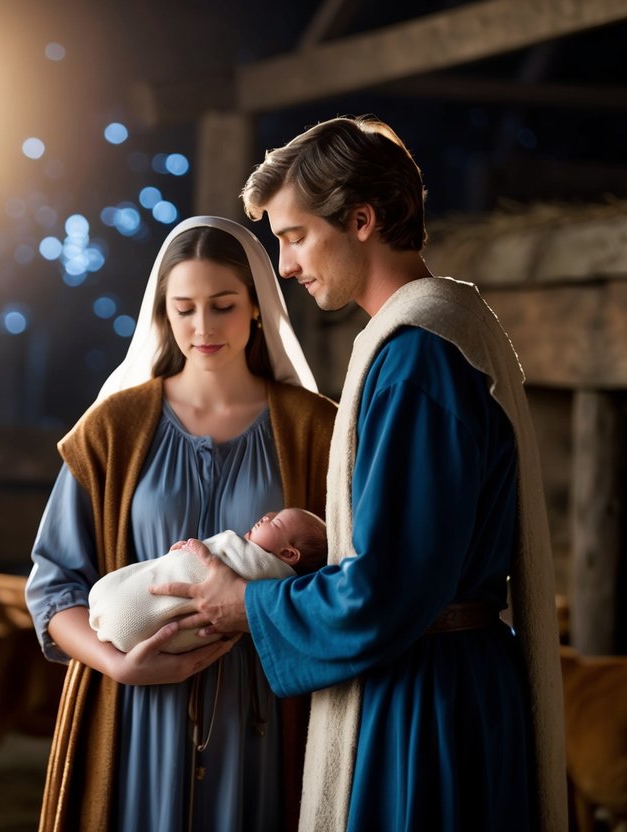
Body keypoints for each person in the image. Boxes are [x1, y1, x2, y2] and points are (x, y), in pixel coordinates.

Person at [151, 117, 567, 831]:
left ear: (361, 220)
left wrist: (241, 603)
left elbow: (388, 589)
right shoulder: (444, 331)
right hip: (450, 677)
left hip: (425, 705)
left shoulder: (415, 360)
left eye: (294, 236)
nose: (283, 266)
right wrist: (332, 543)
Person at [25, 215, 336, 831]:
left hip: (267, 719)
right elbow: (54, 586)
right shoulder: (113, 429)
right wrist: (117, 665)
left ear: (257, 307)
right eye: (183, 308)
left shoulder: (317, 430)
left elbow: (350, 575)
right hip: (131, 715)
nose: (202, 327)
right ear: (162, 313)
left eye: (222, 305)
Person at [89, 507, 327, 654]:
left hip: (145, 640)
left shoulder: (268, 575)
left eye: (276, 522)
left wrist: (197, 555)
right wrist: (184, 555)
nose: (266, 517)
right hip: (120, 655)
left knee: (162, 612)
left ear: (288, 555)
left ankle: (125, 619)